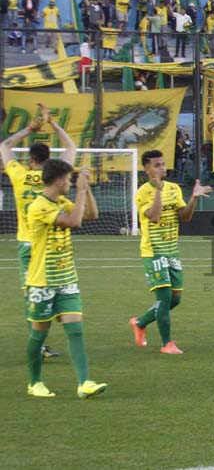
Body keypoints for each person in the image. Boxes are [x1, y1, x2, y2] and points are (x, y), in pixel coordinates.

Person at [1, 103, 77, 362]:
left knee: (32, 294)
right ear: (49, 160)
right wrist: (52, 123)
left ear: (31, 160)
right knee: (62, 289)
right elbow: (71, 147)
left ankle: (39, 345)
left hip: (28, 243)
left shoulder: (19, 175)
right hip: (54, 242)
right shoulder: (56, 176)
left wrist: (30, 128)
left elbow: (4, 146)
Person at [25, 160, 106, 399]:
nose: (71, 183)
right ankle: (34, 382)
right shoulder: (39, 206)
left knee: (76, 330)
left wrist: (86, 189)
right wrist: (80, 191)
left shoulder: (61, 202)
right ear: (59, 181)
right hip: (42, 281)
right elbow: (74, 222)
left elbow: (91, 214)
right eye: (69, 179)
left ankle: (84, 383)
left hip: (67, 277)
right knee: (39, 334)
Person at [129, 150, 213, 354]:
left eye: (163, 164)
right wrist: (158, 191)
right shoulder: (142, 193)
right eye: (157, 165)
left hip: (172, 250)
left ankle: (140, 322)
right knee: (165, 298)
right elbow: (154, 217)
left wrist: (193, 198)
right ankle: (167, 343)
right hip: (153, 251)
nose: (162, 168)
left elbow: (185, 216)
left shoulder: (174, 188)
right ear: (147, 169)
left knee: (175, 299)